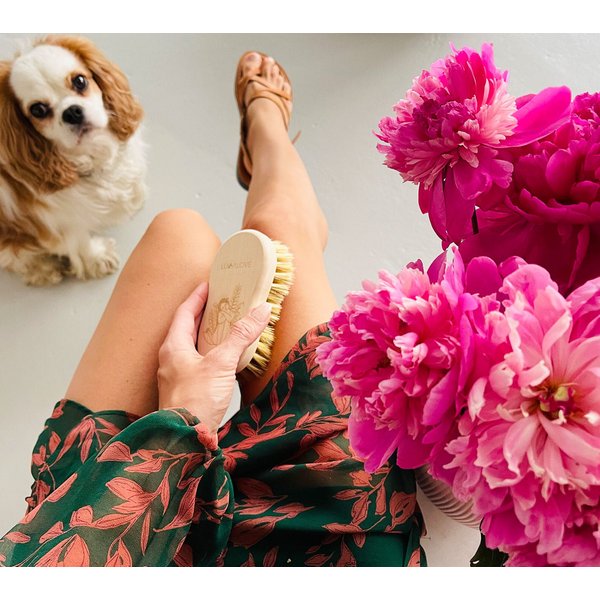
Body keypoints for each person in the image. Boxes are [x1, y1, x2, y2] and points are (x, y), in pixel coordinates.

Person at [0, 52, 425, 567]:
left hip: (79, 527)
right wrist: (184, 420)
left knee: (180, 234)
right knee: (279, 230)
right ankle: (267, 138)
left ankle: (266, 154)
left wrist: (181, 420)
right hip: (323, 545)